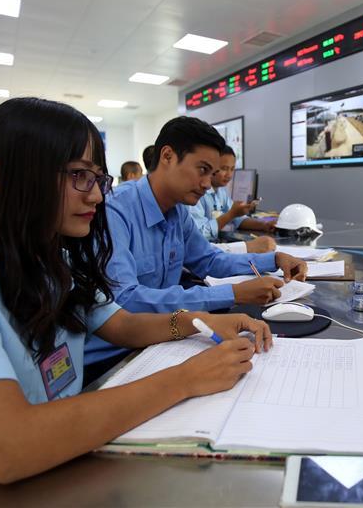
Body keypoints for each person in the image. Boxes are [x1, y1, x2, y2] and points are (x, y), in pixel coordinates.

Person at [0, 98, 272, 506]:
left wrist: (198, 321)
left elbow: (124, 324)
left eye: (99, 178)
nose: (97, 196)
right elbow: (10, 444)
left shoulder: (54, 266)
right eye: (79, 176)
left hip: (50, 474)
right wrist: (186, 378)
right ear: (1, 178)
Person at [85, 117, 306, 376]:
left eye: (211, 174)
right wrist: (232, 293)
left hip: (159, 340)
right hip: (110, 360)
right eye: (202, 170)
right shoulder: (115, 211)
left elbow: (210, 260)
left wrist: (274, 260)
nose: (207, 184)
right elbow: (126, 301)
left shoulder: (177, 212)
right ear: (167, 156)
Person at [188, 145, 276, 254]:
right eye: (224, 168)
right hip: (202, 251)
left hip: (216, 248)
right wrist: (231, 214)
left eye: (232, 169)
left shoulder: (221, 192)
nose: (229, 175)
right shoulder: (196, 194)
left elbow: (237, 219)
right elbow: (200, 233)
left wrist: (264, 225)